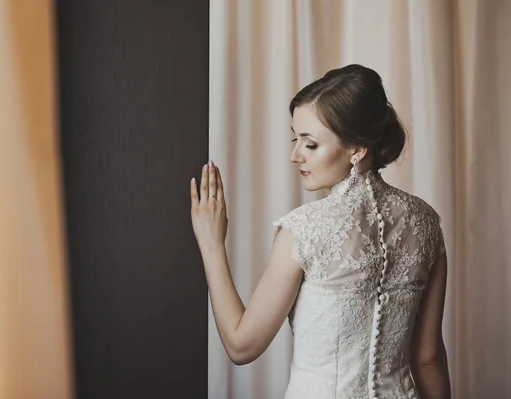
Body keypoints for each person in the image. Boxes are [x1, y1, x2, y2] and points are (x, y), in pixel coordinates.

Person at [190, 64, 450, 398]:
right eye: (295, 138)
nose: (293, 155)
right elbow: (428, 360)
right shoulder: (426, 222)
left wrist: (212, 245)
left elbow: (242, 348)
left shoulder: (305, 229)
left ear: (357, 149)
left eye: (310, 144)